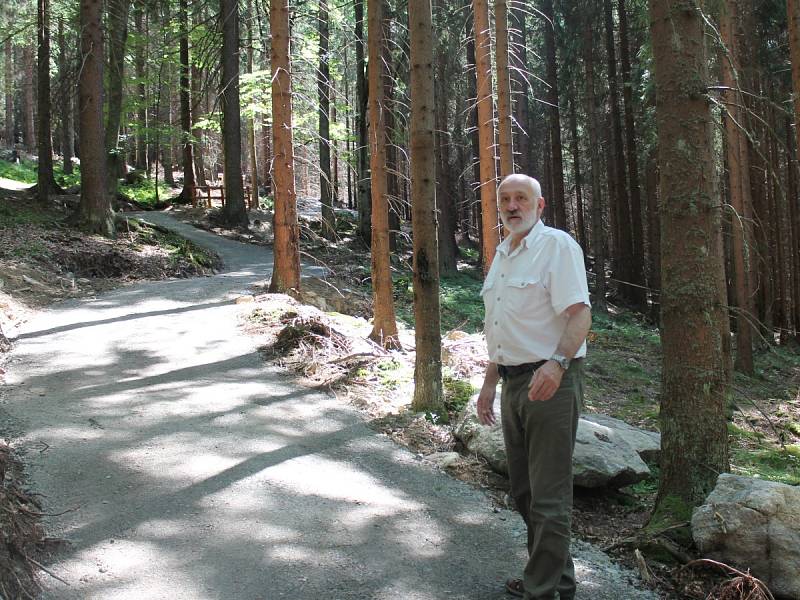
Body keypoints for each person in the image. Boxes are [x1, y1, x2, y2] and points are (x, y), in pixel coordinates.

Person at [477, 174, 591, 600]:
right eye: (504, 199)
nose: (511, 205)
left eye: (521, 198)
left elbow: (581, 314)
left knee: (549, 494)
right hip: (512, 382)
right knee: (524, 491)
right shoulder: (504, 254)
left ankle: (541, 591)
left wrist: (558, 364)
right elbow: (501, 327)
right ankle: (554, 579)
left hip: (550, 383)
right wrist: (489, 383)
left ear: (539, 205)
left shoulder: (556, 247)